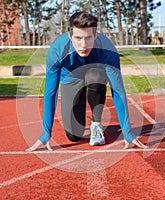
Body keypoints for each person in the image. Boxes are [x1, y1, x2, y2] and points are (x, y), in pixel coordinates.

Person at [26, 11, 148, 151]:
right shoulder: (57, 51)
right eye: (78, 38)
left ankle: (96, 123)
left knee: (94, 75)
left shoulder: (107, 49)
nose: (83, 45)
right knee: (73, 135)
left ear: (95, 35)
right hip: (71, 81)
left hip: (95, 78)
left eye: (88, 38)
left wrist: (127, 132)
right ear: (70, 36)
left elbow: (118, 90)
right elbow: (50, 93)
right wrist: (45, 133)